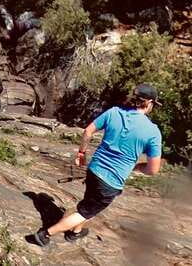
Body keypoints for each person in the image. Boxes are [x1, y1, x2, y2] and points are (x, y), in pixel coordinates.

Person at [32, 84, 163, 246]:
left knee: (89, 203)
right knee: (85, 212)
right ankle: (45, 234)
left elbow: (88, 131)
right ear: (149, 103)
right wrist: (135, 167)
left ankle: (76, 232)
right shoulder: (153, 132)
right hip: (111, 182)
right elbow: (153, 170)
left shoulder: (114, 112)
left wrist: (81, 153)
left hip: (94, 169)